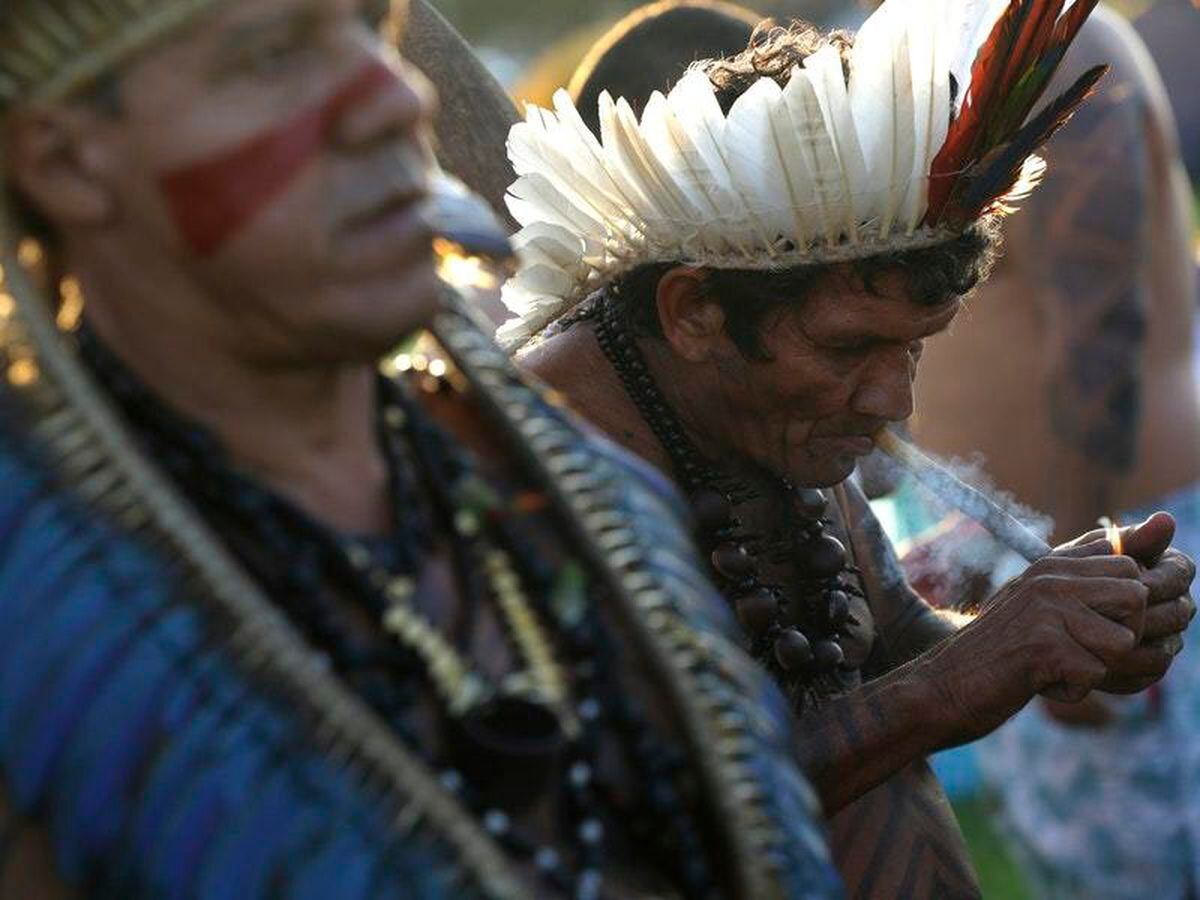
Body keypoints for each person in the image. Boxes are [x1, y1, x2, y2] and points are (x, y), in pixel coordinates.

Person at [0, 0, 844, 897]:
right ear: (63, 162)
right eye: (271, 56)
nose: (395, 99)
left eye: (373, 29)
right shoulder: (36, 629)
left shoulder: (583, 496)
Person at [498, 0, 1198, 895]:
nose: (893, 400)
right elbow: (657, 799)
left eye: (913, 347)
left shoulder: (761, 411)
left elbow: (888, 642)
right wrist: (973, 669)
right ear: (692, 309)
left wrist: (1056, 618)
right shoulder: (540, 460)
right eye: (850, 348)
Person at [901, 7, 1200, 896]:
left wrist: (1082, 587)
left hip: (1128, 547)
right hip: (1029, 561)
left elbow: (1102, 326)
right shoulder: (920, 35)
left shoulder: (1056, 37)